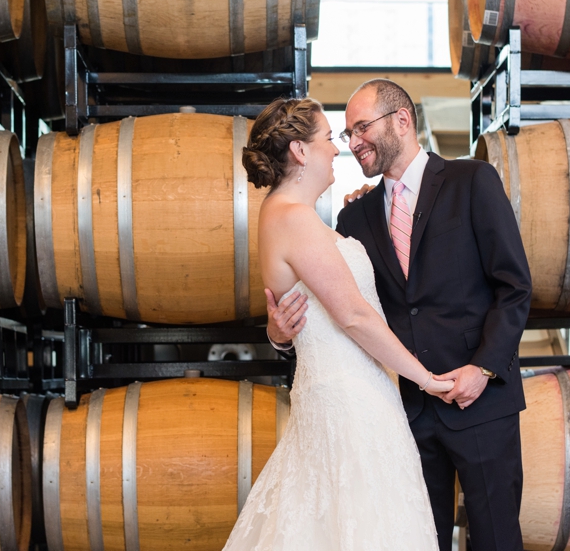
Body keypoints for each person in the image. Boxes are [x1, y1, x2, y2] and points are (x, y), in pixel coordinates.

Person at [267, 79, 532, 551]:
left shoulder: (472, 181)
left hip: (481, 402)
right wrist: (279, 335)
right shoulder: (351, 221)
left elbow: (514, 288)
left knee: (496, 539)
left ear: (403, 120)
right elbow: (336, 313)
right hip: (405, 415)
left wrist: (484, 367)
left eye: (361, 127)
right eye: (346, 134)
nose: (353, 142)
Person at [223, 96, 453, 551]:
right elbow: (352, 315)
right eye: (329, 138)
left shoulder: (289, 215)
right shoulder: (292, 218)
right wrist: (426, 379)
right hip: (350, 402)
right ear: (300, 152)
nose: (338, 148)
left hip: (341, 394)